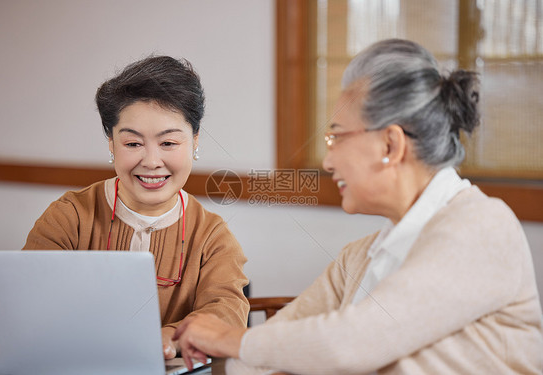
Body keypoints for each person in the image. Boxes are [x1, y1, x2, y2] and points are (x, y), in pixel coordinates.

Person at [173, 39, 543, 374]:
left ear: (390, 145)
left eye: (335, 137)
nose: (328, 161)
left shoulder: (483, 226)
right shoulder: (359, 258)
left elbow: (349, 344)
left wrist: (228, 338)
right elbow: (270, 351)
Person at [23, 55, 249, 359]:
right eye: (133, 144)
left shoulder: (212, 235)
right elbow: (28, 300)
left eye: (168, 143)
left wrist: (172, 336)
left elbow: (227, 311)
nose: (152, 161)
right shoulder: (69, 216)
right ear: (111, 144)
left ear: (195, 142)